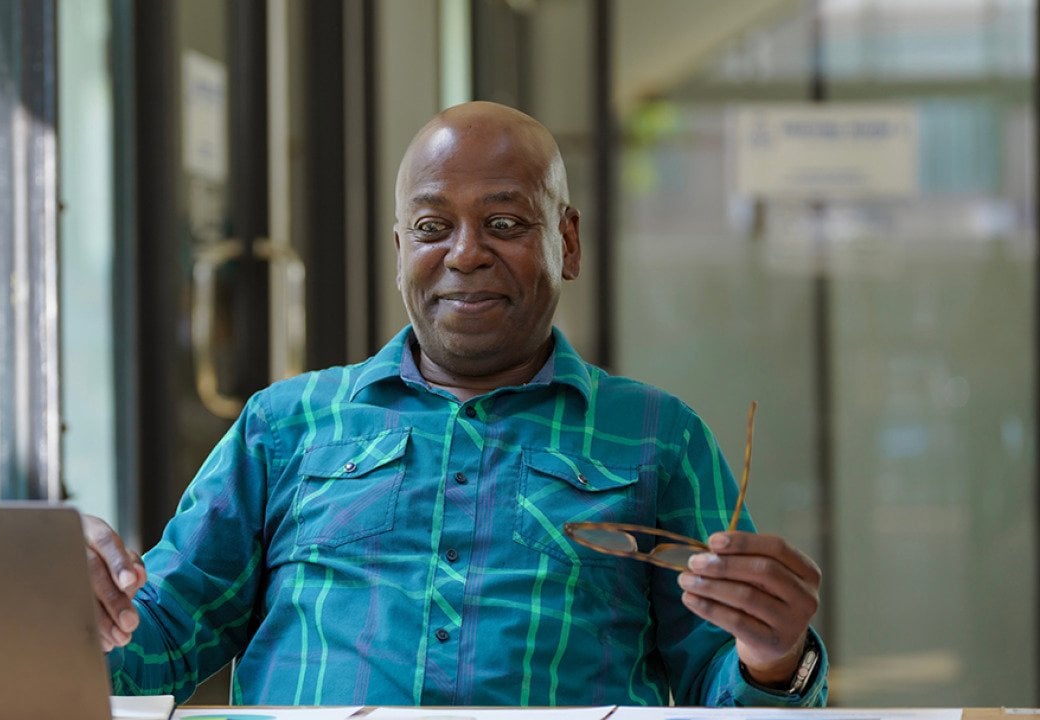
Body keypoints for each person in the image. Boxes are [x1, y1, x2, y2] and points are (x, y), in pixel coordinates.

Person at [84, 101, 828, 707]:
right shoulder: (285, 427)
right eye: (434, 227)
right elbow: (161, 640)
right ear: (401, 245)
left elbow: (721, 690)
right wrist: (72, 603)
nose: (465, 253)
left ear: (567, 242)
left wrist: (773, 657)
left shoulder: (660, 437)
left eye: (505, 224)